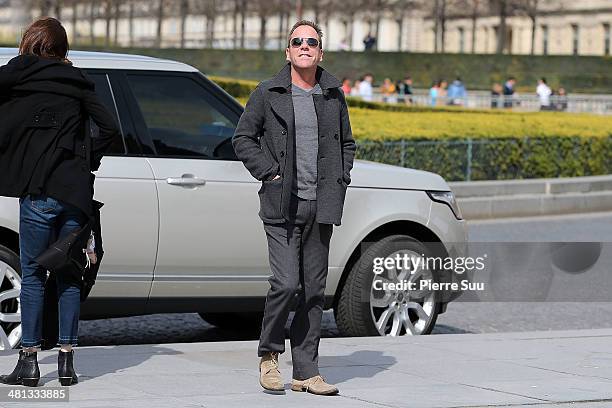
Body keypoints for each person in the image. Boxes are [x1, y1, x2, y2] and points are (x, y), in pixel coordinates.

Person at [232, 19, 356, 396]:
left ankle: (306, 371)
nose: (304, 46)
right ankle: (269, 355)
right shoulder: (268, 92)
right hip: (281, 205)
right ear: (288, 52)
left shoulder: (333, 93)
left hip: (322, 206)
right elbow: (242, 137)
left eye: (312, 42)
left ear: (320, 53)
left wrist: (342, 177)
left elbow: (347, 144)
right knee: (286, 284)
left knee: (315, 291)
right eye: (297, 41)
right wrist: (268, 172)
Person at [0, 17, 119, 387]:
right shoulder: (79, 84)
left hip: (38, 193)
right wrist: (85, 161)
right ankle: (67, 364)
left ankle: (30, 363)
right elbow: (111, 129)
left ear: (29, 43)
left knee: (33, 276)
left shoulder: (16, 80)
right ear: (62, 48)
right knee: (68, 275)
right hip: (75, 194)